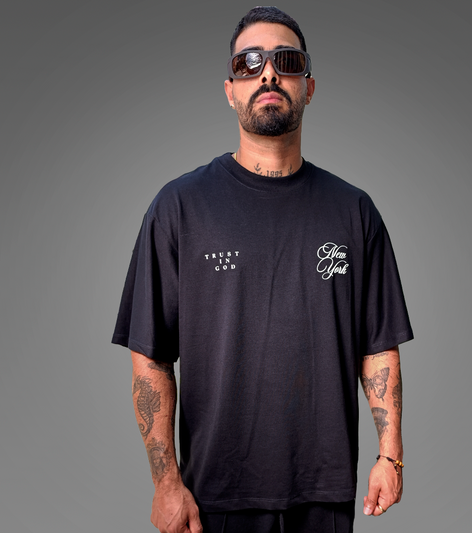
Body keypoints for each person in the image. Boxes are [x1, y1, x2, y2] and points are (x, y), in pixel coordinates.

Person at [112, 6, 413, 533]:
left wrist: (391, 455)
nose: (268, 73)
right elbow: (150, 356)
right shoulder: (179, 208)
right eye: (249, 63)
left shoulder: (353, 211)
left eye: (286, 61)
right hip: (215, 498)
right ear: (230, 90)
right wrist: (165, 482)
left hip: (324, 495)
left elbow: (378, 346)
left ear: (309, 87)